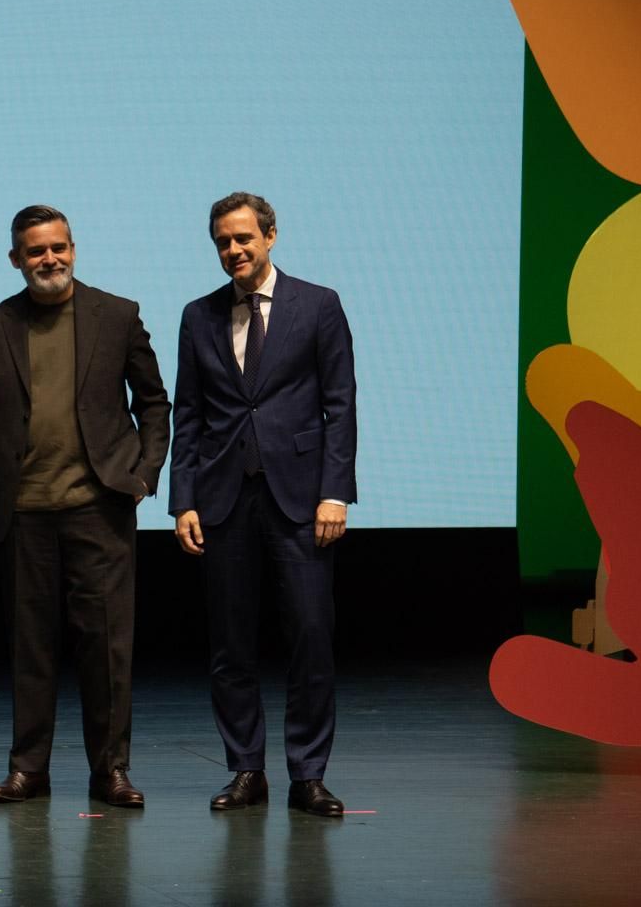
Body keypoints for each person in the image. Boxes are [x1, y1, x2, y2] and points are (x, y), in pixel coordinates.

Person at [0, 204, 170, 807]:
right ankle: (29, 769)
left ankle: (111, 771)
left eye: (58, 247)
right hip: (22, 511)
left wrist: (143, 475)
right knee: (31, 647)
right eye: (35, 251)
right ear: (15, 259)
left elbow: (155, 404)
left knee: (107, 648)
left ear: (73, 248)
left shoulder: (118, 314)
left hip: (99, 508)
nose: (49, 258)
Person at [169, 191, 356, 817]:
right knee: (230, 646)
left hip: (302, 499)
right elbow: (188, 415)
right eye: (223, 241)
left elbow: (341, 404)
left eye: (244, 239)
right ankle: (246, 769)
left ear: (271, 236)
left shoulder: (318, 305)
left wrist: (335, 490)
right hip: (224, 501)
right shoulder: (199, 315)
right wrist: (183, 500)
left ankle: (308, 774)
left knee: (310, 636)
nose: (233, 251)